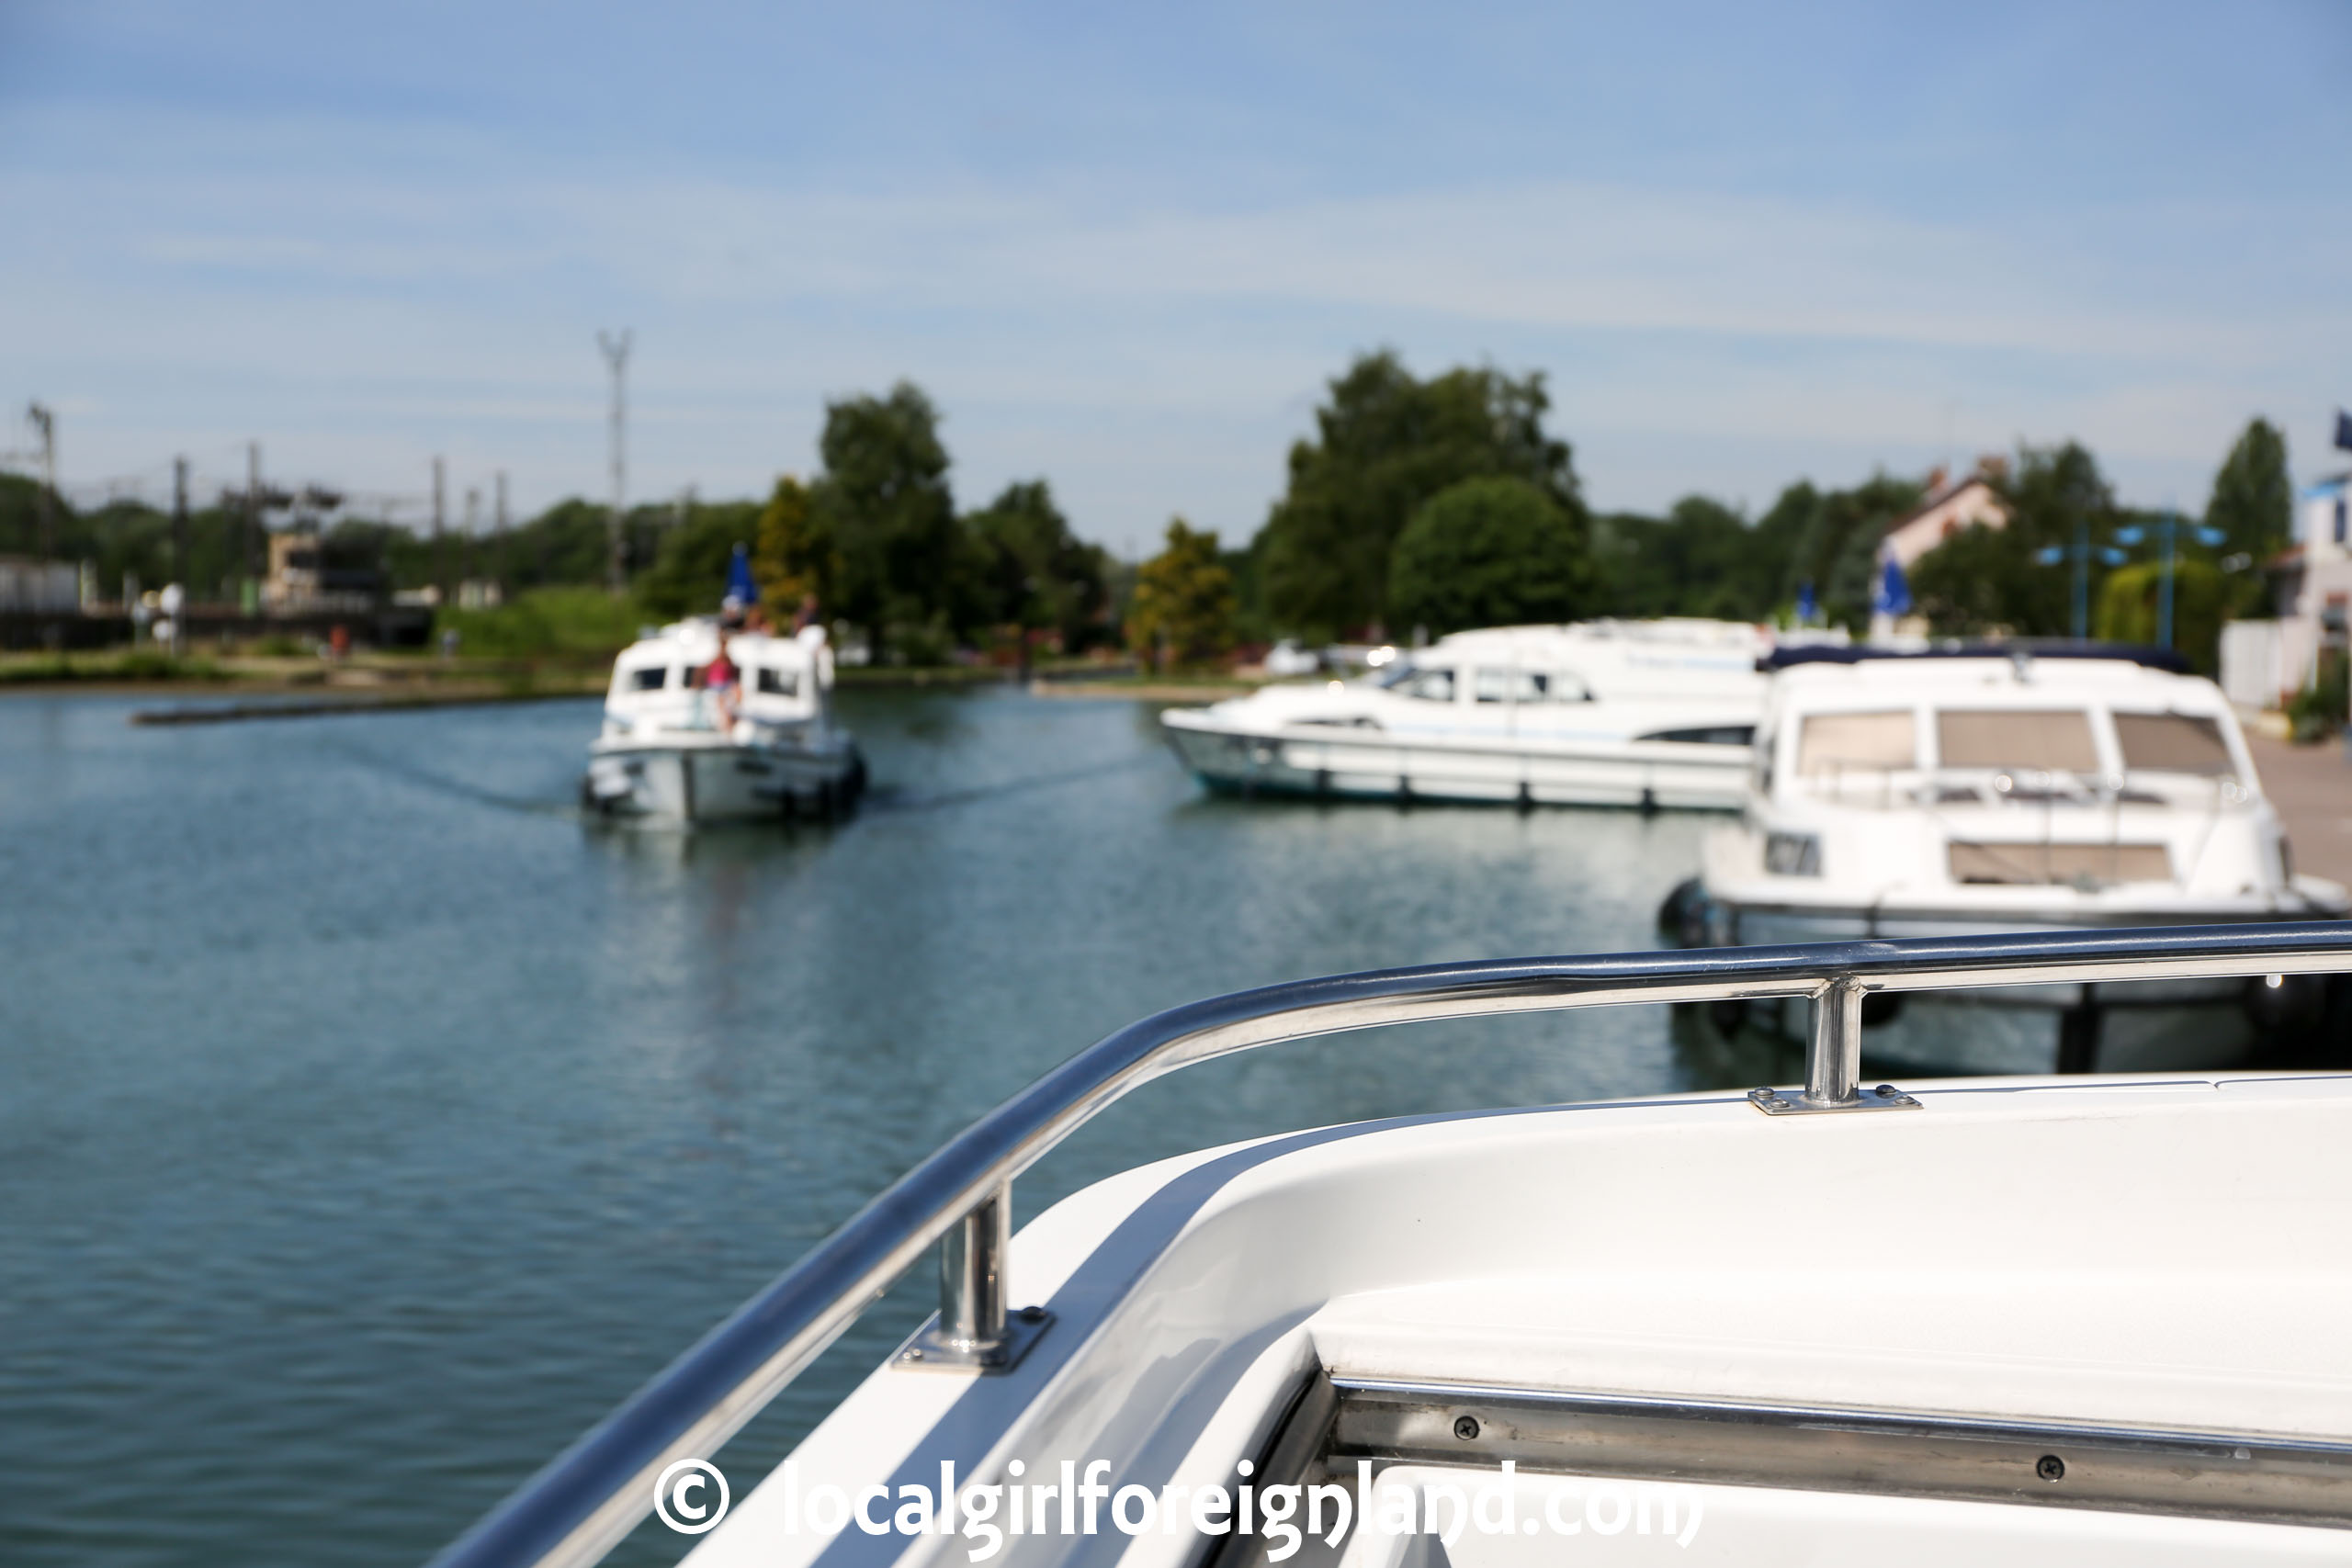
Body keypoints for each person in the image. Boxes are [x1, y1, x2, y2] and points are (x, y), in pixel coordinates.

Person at [702, 633, 741, 733]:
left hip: (722, 684)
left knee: (727, 703)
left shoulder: (723, 657)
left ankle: (728, 724)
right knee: (723, 705)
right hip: (718, 685)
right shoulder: (721, 656)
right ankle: (726, 725)